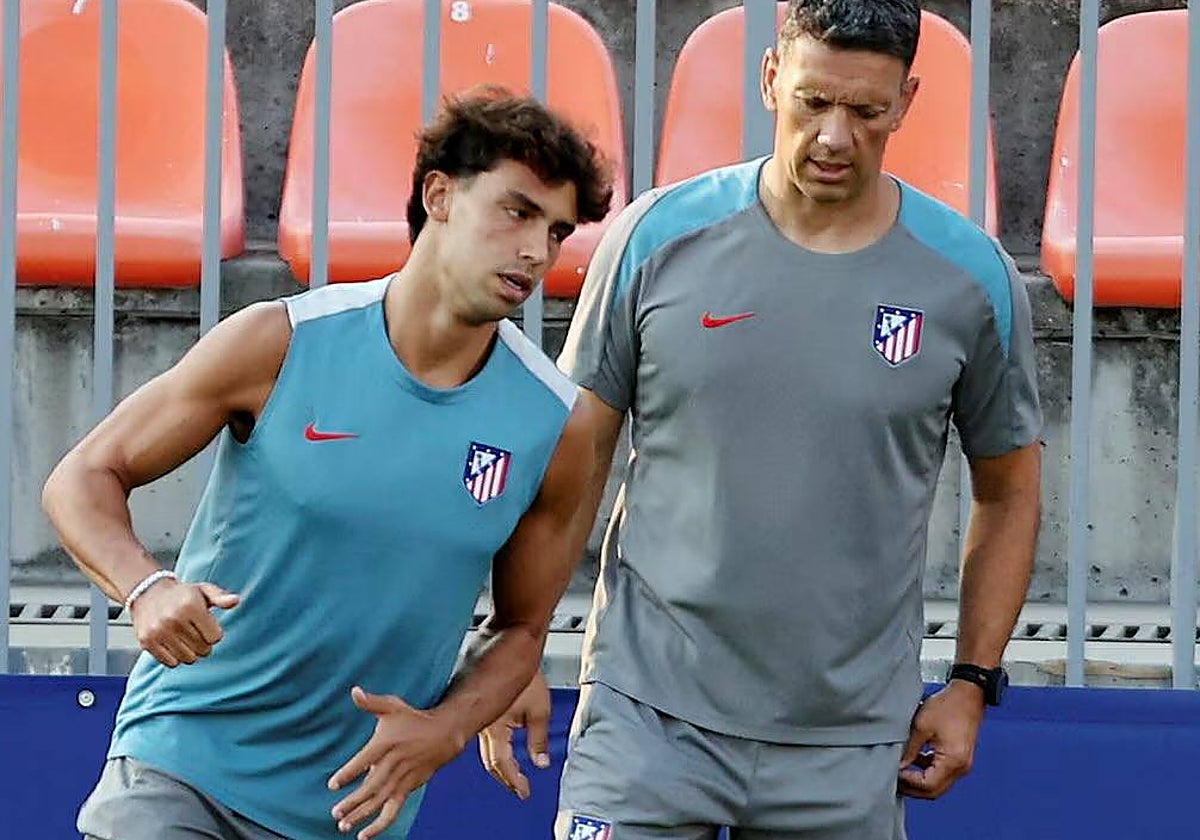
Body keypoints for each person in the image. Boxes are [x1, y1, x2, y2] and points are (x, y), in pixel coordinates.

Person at [479, 2, 1043, 838]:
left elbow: (1010, 488)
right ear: (772, 79)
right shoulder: (657, 237)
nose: (835, 137)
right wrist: (515, 645)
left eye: (867, 110)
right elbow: (572, 460)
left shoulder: (970, 277)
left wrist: (972, 680)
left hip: (849, 741)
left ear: (907, 101)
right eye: (814, 101)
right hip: (646, 717)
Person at [42, 88, 612, 840]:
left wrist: (445, 729)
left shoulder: (556, 423)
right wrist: (146, 588)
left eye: (557, 230)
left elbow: (522, 632)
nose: (537, 251)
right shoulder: (279, 342)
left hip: (348, 812)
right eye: (517, 211)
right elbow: (83, 476)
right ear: (439, 196)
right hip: (182, 769)